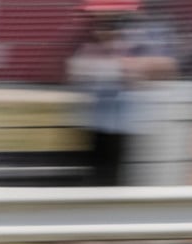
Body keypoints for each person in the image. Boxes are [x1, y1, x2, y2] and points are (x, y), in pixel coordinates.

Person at [66, 1, 176, 185]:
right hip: (96, 119)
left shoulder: (146, 31)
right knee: (98, 176)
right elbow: (76, 70)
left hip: (129, 123)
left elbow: (165, 67)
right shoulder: (91, 35)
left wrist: (125, 64)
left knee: (120, 178)